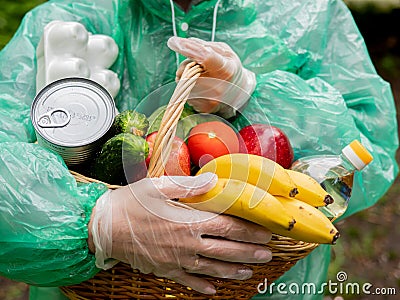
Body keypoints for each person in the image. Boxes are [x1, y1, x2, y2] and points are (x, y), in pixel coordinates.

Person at [0, 0, 398, 300]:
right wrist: (97, 223)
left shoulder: (310, 14)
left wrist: (252, 93)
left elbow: (370, 153)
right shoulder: (73, 16)